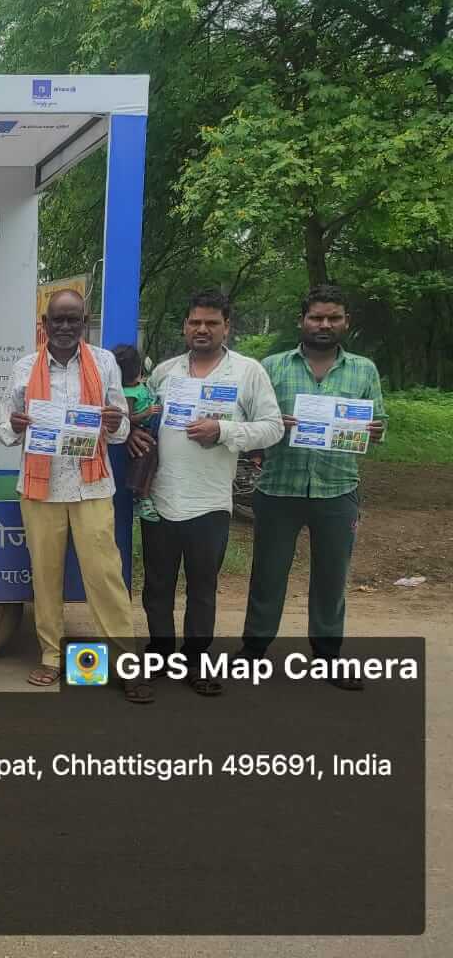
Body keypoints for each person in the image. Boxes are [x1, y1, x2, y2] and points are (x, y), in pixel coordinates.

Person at [126, 290, 283, 695]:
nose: (202, 329)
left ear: (226, 327)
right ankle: (160, 653)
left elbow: (273, 427)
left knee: (202, 588)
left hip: (211, 501)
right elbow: (144, 417)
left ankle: (196, 660)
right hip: (160, 498)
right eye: (195, 322)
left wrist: (224, 430)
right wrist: (134, 435)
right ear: (185, 326)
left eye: (212, 323)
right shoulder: (164, 372)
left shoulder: (247, 372)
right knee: (157, 586)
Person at [0, 290, 145, 701]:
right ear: (44, 323)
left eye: (72, 319)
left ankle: (125, 661)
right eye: (57, 320)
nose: (64, 327)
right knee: (45, 576)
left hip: (92, 485)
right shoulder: (25, 367)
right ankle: (51, 656)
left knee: (105, 575)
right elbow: (4, 430)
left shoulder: (105, 362)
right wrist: (15, 425)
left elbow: (121, 429)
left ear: (84, 322)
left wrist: (115, 423)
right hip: (39, 488)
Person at [240, 285, 387, 689]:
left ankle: (327, 657)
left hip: (337, 490)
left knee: (331, 578)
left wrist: (374, 431)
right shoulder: (271, 367)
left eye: (333, 318)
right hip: (278, 488)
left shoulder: (364, 370)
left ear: (345, 322)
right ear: (301, 321)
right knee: (267, 575)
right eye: (316, 317)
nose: (324, 324)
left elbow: (379, 423)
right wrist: (272, 425)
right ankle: (253, 651)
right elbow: (249, 422)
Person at [112, 344, 161, 522]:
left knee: (153, 460)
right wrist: (146, 413)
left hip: (151, 429)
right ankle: (140, 496)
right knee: (146, 458)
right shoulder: (127, 394)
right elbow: (128, 418)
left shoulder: (139, 385)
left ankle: (143, 495)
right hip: (141, 431)